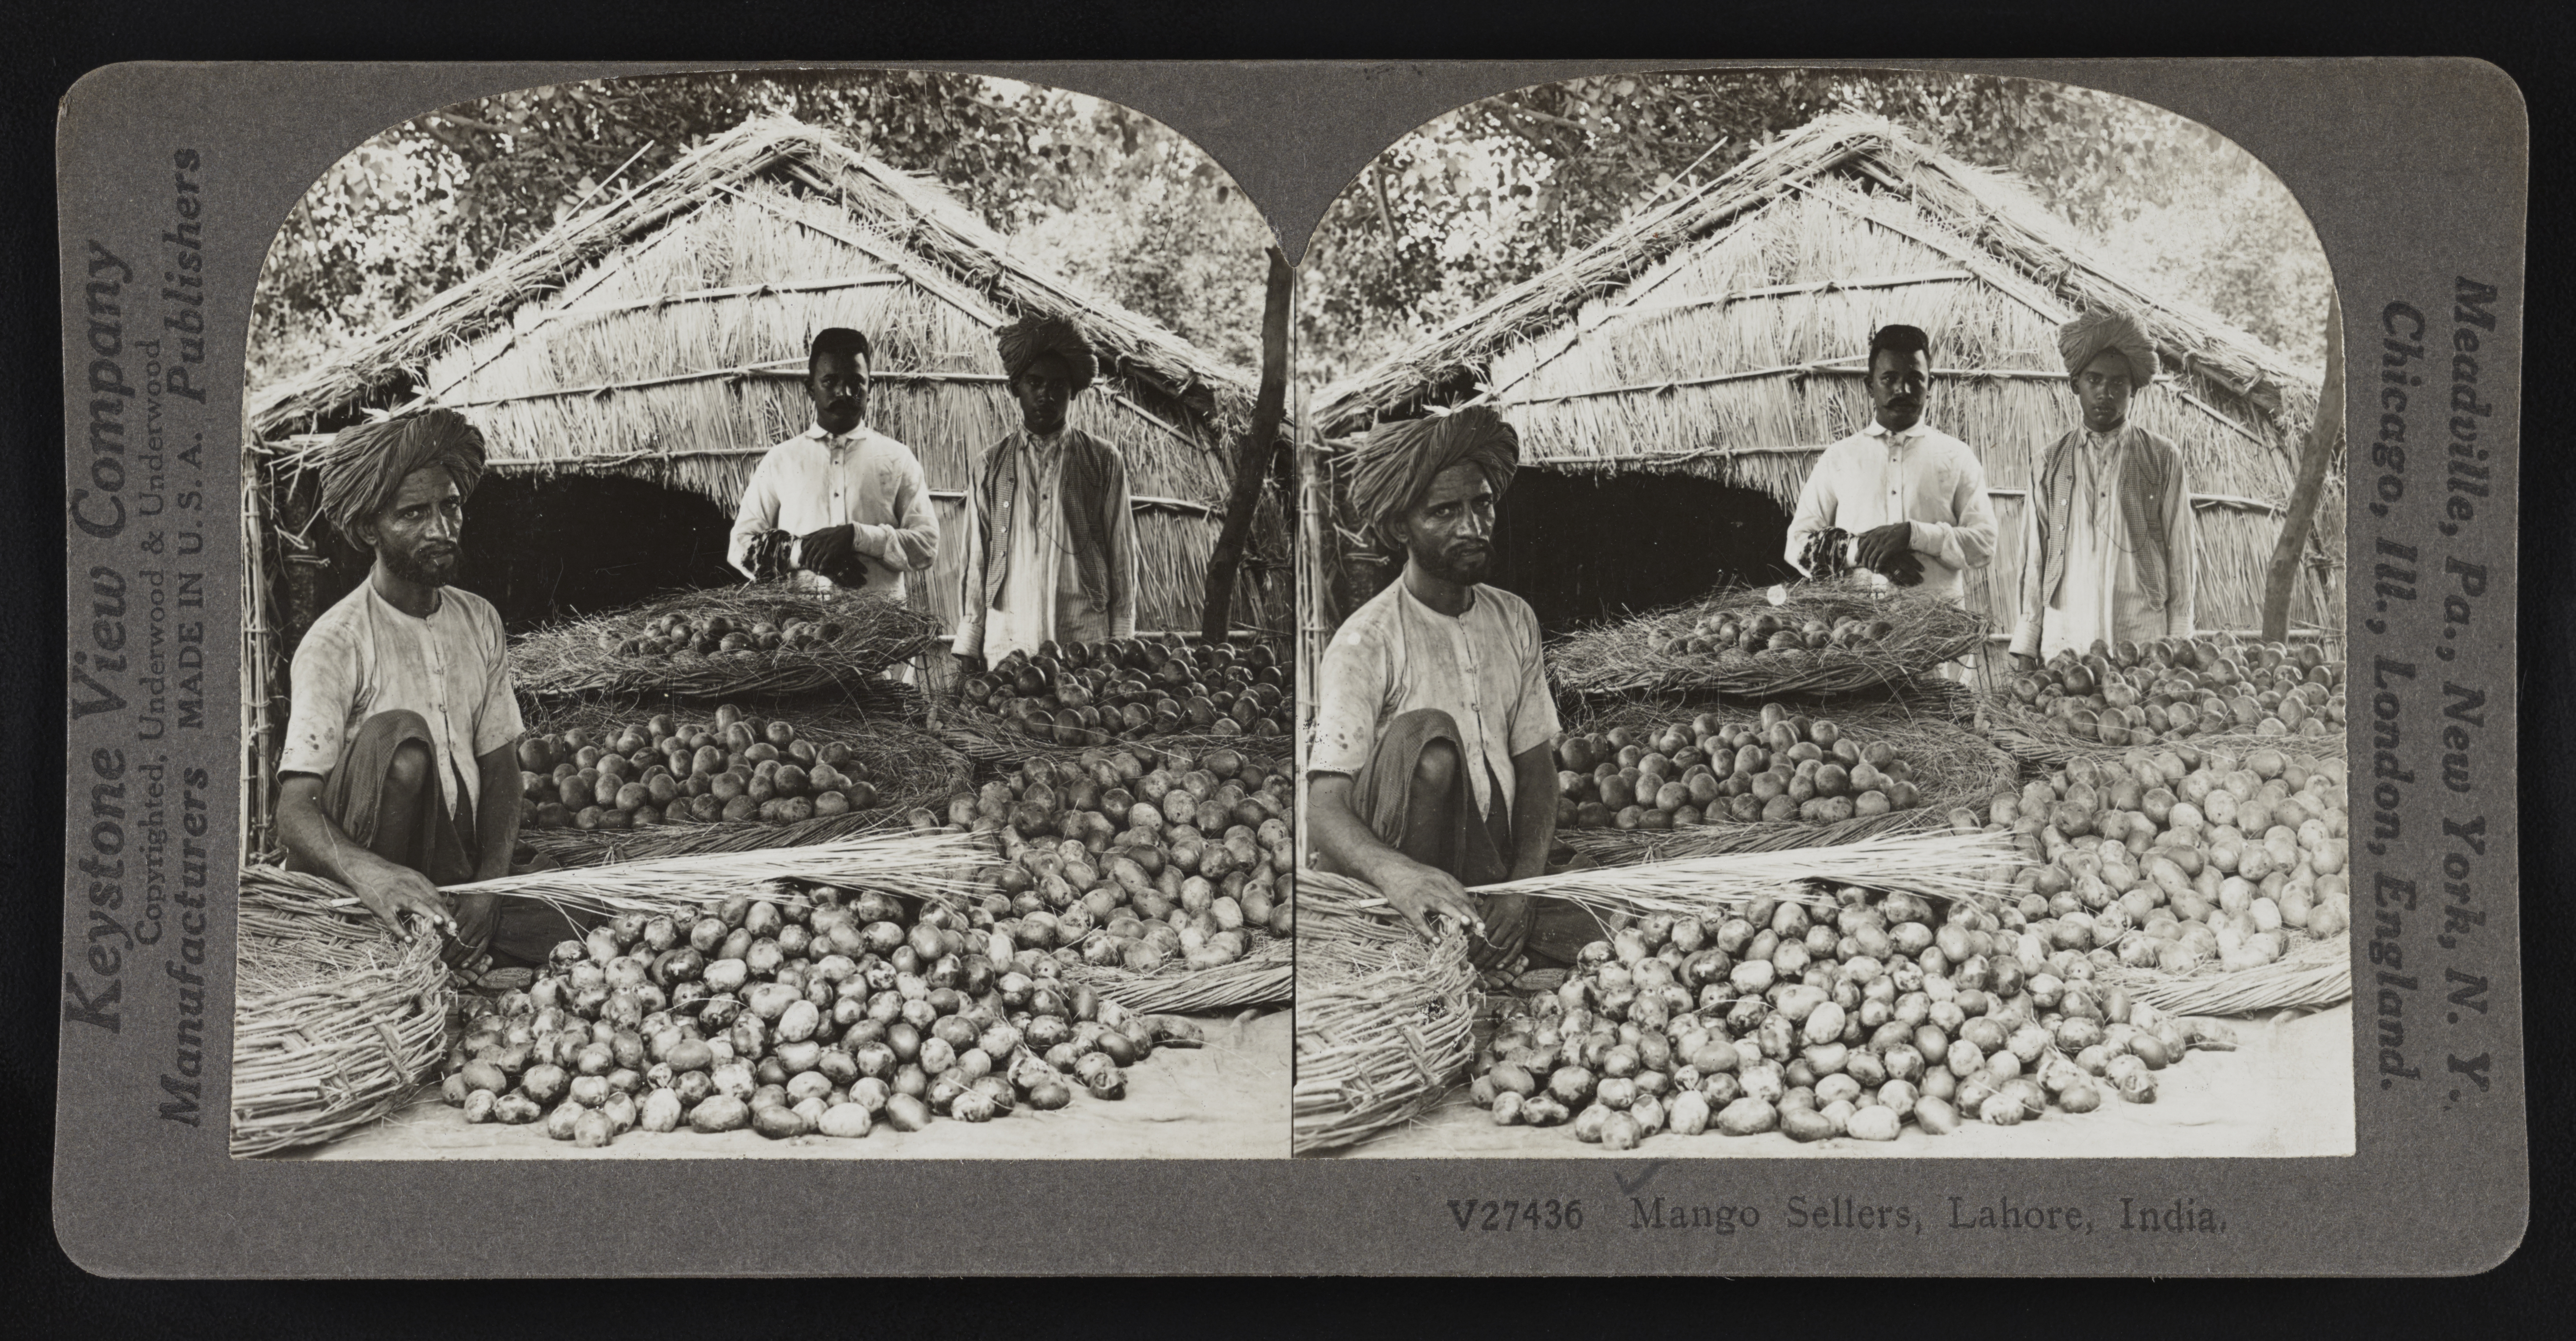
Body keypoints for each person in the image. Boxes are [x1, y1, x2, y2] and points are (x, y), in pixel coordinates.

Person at [1306, 407, 1584, 969]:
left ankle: (1483, 919)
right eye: (1445, 511)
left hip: (1488, 863)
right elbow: (1323, 807)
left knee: (1613, 923)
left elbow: (1536, 766)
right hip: (1400, 866)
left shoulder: (1514, 618)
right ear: (1399, 528)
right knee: (1429, 739)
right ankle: (1418, 928)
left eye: (1482, 504)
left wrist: (1522, 888)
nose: (1473, 527)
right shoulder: (1367, 640)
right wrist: (1399, 875)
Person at [277, 409, 526, 964]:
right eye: (414, 513)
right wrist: (376, 875)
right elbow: (294, 811)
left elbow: (501, 765)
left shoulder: (479, 619)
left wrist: (490, 887)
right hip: (363, 871)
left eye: (450, 506)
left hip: (452, 865)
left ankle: (447, 921)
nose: (441, 529)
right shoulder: (337, 641)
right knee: (402, 738)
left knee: (579, 915)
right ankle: (377, 931)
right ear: (370, 528)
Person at [728, 327, 940, 678]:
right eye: (830, 381)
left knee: (884, 713)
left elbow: (927, 545)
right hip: (798, 650)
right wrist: (804, 552)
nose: (844, 392)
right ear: (810, 387)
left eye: (856, 382)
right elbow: (739, 545)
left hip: (880, 650)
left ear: (871, 387)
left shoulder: (897, 458)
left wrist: (858, 537)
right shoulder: (782, 460)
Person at [2009, 307, 2198, 670]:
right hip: (2067, 631)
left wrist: (2179, 637)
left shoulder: (2162, 456)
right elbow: (2034, 556)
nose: (2104, 393)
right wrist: (2027, 643)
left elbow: (2181, 552)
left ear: (2133, 390)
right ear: (2074, 385)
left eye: (2117, 384)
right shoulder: (2047, 461)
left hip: (2142, 633)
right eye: (2093, 381)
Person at [951, 316, 1139, 671]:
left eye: (1058, 386)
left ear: (1074, 391)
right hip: (1009, 632)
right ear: (1015, 388)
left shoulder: (1102, 459)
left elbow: (1121, 552)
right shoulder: (989, 464)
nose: (1045, 395)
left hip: (1083, 634)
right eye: (1034, 383)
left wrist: (1121, 638)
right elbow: (976, 557)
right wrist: (970, 641)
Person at [1784, 322, 1999, 605]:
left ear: (1930, 385)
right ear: (1870, 386)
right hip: (1854, 626)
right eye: (1889, 378)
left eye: (1915, 378)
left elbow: (1984, 544)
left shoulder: (1957, 456)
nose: (1903, 389)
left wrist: (1915, 535)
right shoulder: (1839, 457)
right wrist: (1862, 552)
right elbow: (1797, 543)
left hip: (1939, 627)